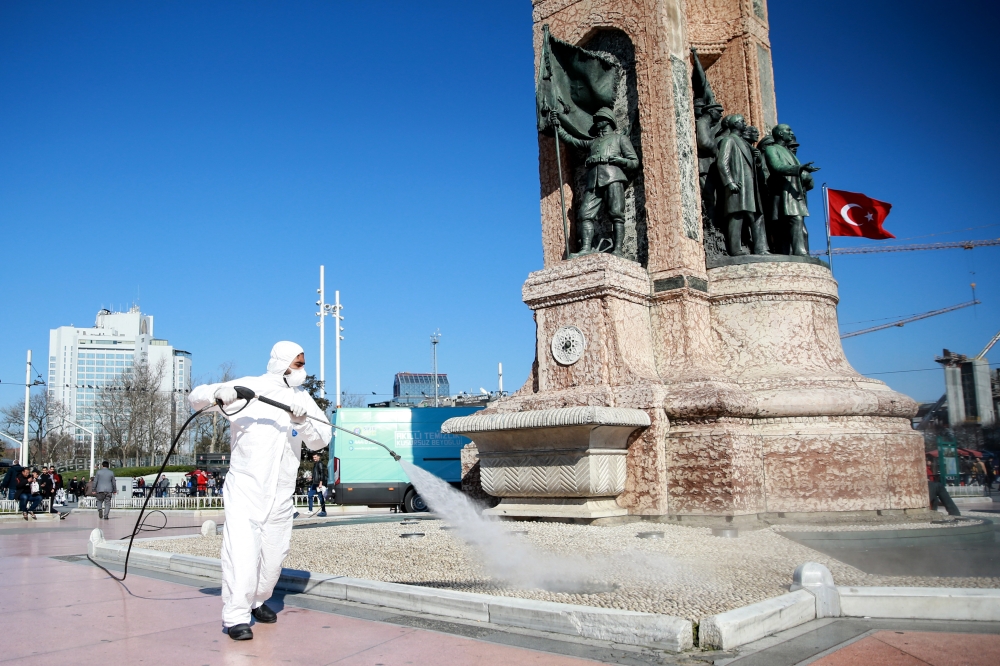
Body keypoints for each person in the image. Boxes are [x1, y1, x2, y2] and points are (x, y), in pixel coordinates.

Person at [188, 341, 331, 641]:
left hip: (281, 493)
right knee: (242, 552)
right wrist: (217, 393)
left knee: (274, 556)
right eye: (298, 364)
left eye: (303, 364)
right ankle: (236, 615)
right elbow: (195, 397)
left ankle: (257, 600)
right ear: (282, 363)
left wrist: (303, 422)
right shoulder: (248, 388)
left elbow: (321, 439)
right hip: (247, 487)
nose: (302, 370)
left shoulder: (301, 398)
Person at [549, 108, 639, 257]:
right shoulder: (594, 142)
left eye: (599, 119)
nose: (596, 122)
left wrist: (620, 160)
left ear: (608, 120)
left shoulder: (620, 139)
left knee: (616, 214)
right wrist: (557, 126)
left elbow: (634, 162)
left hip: (613, 177)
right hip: (594, 181)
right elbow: (573, 141)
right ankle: (585, 248)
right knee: (585, 214)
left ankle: (618, 250)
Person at [307, 452, 327, 517]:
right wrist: (312, 477)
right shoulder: (315, 464)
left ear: (319, 457)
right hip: (314, 483)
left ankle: (323, 511)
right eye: (313, 457)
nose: (314, 458)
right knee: (310, 495)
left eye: (315, 457)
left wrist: (321, 483)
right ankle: (310, 510)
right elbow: (316, 474)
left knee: (321, 497)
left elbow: (322, 473)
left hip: (318, 484)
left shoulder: (320, 464)